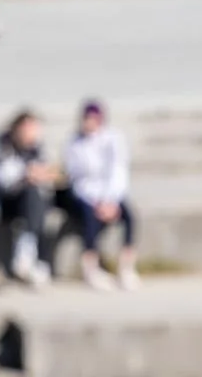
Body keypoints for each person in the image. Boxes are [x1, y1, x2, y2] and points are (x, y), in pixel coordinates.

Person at [64, 100, 140, 291]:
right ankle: (91, 268)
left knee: (130, 216)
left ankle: (126, 267)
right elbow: (76, 176)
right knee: (89, 218)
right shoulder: (75, 143)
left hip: (110, 195)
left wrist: (111, 201)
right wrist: (96, 202)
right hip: (87, 195)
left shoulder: (113, 138)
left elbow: (118, 171)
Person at [0, 110, 59, 286]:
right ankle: (29, 259)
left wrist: (41, 175)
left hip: (26, 200)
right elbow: (0, 179)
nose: (33, 135)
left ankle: (28, 258)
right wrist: (26, 174)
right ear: (18, 128)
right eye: (29, 130)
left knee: (38, 198)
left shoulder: (35, 147)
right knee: (33, 196)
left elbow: (44, 170)